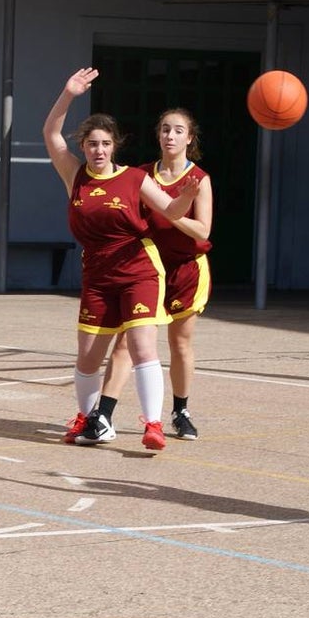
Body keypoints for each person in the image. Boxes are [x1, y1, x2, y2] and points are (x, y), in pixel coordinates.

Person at [43, 68, 200, 451]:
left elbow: (173, 210)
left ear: (115, 146)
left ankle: (154, 424)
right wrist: (68, 93)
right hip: (97, 274)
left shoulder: (133, 179)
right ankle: (91, 419)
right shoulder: (74, 175)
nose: (99, 150)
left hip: (138, 270)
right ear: (84, 146)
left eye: (105, 144)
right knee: (87, 357)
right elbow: (50, 133)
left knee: (143, 346)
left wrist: (186, 195)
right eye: (92, 143)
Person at [96, 108, 213, 441]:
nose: (170, 136)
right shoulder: (142, 175)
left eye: (178, 131)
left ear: (189, 138)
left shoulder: (199, 179)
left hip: (186, 268)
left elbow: (202, 230)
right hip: (146, 268)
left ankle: (180, 411)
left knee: (180, 344)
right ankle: (103, 414)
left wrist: (172, 209)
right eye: (165, 129)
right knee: (125, 343)